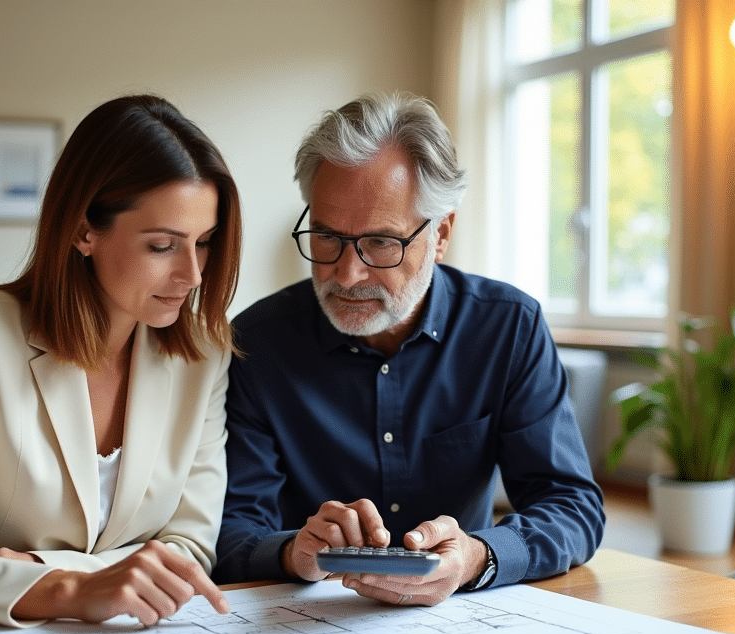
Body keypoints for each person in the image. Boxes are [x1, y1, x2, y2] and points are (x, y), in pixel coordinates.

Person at [0, 95, 240, 627]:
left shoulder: (203, 355)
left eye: (204, 243)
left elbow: (189, 554)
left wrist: (44, 568)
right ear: (84, 231)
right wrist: (69, 589)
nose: (193, 276)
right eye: (161, 246)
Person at [214, 91, 604, 606]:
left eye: (381, 243)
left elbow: (571, 503)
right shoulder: (257, 342)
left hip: (464, 618)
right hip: (304, 620)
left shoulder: (507, 326)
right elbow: (230, 525)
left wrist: (475, 558)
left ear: (440, 234)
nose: (347, 274)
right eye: (327, 237)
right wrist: (293, 553)